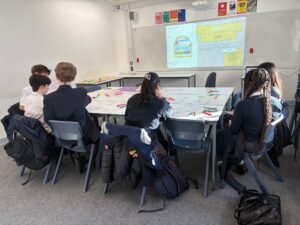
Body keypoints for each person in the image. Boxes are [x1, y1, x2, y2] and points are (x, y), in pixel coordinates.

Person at [218, 68, 272, 194]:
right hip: (261, 141)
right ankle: (236, 162)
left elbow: (234, 130)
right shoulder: (266, 101)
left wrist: (233, 119)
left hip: (249, 144)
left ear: (249, 83)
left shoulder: (244, 105)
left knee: (221, 133)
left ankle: (222, 164)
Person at [43, 62, 99, 145]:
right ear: (74, 77)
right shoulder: (80, 92)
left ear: (56, 77)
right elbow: (87, 100)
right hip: (84, 136)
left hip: (61, 137)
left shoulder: (48, 98)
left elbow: (48, 119)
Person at [125, 72, 174, 150]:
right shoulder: (160, 102)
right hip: (148, 139)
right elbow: (170, 114)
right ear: (158, 86)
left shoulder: (132, 98)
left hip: (129, 139)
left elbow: (126, 116)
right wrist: (163, 100)